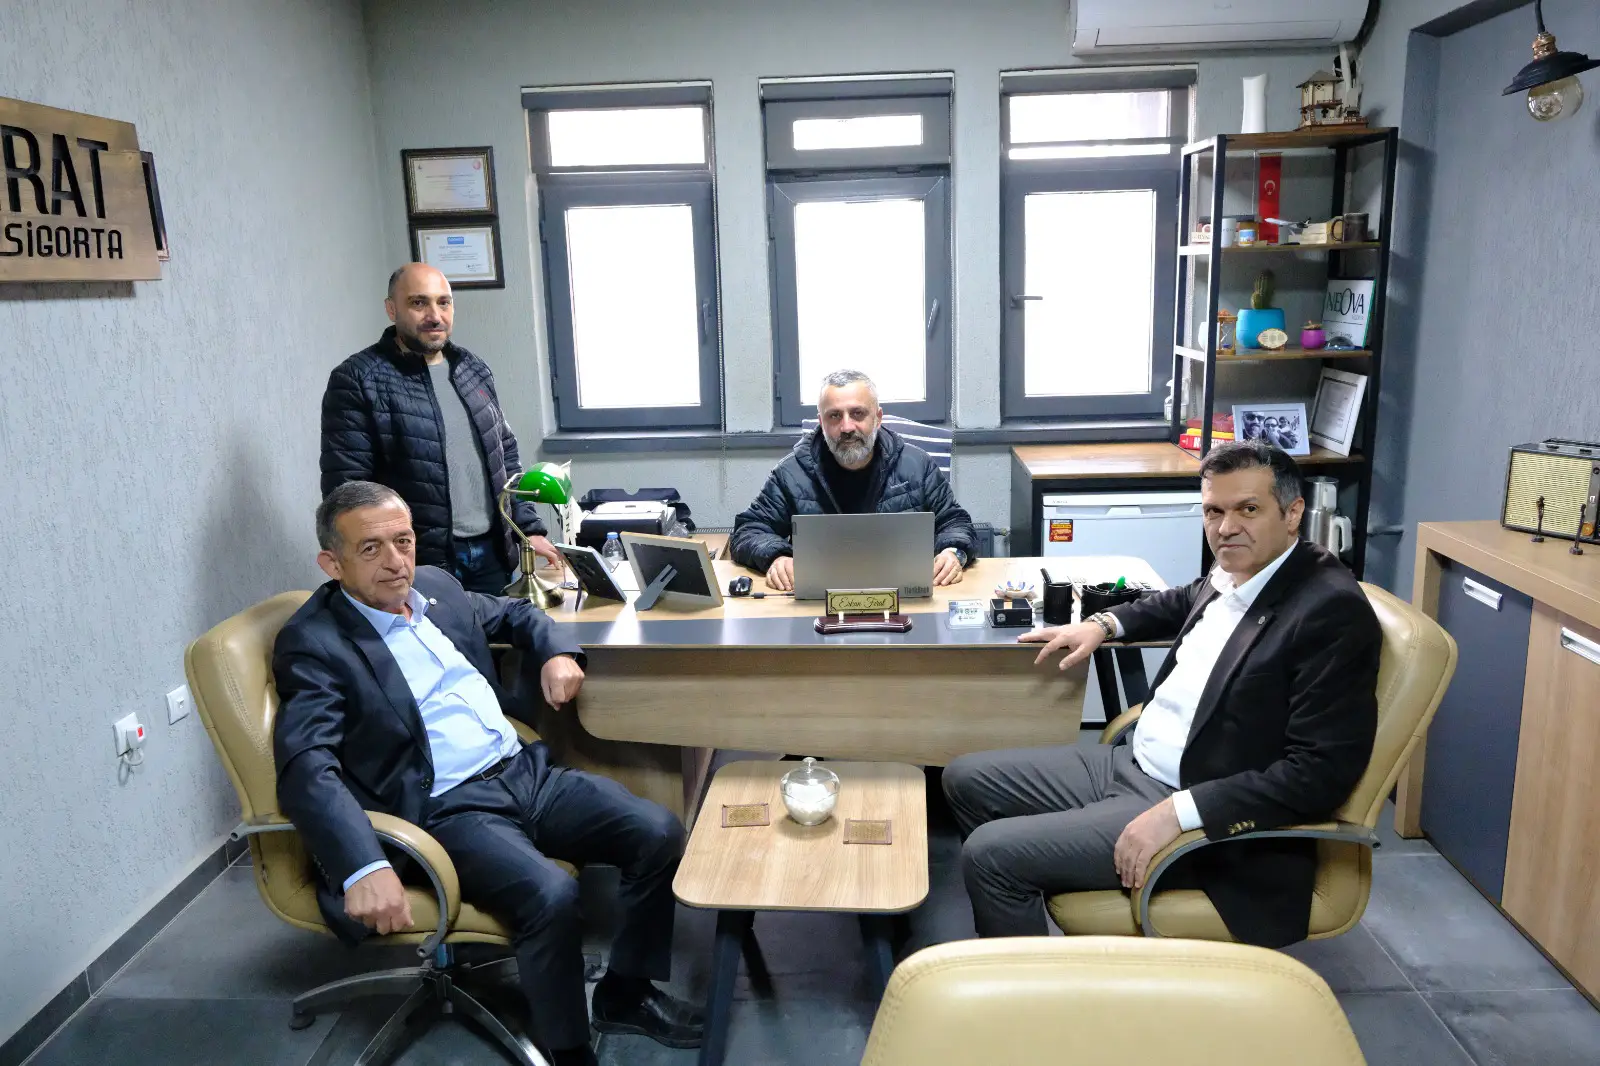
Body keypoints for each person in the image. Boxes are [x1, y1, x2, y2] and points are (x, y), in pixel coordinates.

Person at [272, 481, 702, 1065]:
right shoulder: (314, 642)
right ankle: (570, 1052)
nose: (396, 562)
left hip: (526, 773)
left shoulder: (435, 589)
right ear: (333, 563)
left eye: (403, 541)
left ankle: (625, 994)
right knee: (550, 895)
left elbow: (519, 613)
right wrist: (362, 865)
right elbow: (306, 765)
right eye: (371, 549)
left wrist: (557, 652)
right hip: (448, 806)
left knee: (659, 833)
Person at [943, 440, 1381, 948]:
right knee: (964, 778)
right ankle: (1026, 907)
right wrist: (1103, 624)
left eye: (1248, 509)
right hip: (1133, 763)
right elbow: (1184, 598)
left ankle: (1030, 978)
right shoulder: (1243, 569)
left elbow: (1319, 775)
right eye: (1213, 511)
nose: (1226, 528)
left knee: (990, 855)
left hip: (1200, 810)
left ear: (1293, 513)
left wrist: (1177, 814)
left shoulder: (1329, 611)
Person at [321, 264, 562, 594]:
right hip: (417, 564)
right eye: (418, 303)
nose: (434, 316)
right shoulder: (357, 380)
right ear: (392, 309)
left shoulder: (472, 369)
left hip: (492, 557)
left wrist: (528, 529)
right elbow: (347, 491)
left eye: (443, 302)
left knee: (497, 629)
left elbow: (505, 456)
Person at [729, 369, 978, 591]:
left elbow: (955, 521)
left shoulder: (918, 466)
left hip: (904, 595)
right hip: (820, 600)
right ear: (821, 422)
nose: (847, 427)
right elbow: (749, 529)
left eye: (857, 413)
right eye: (834, 416)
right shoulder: (791, 473)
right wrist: (777, 557)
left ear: (878, 418)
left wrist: (953, 553)